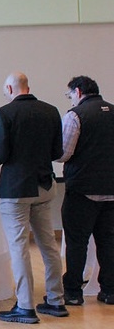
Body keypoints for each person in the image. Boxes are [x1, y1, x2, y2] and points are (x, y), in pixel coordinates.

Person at [0, 72, 67, 324]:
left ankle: (25, 306)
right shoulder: (51, 111)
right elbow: (57, 152)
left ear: (10, 88)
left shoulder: (4, 113)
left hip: (16, 190)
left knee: (19, 247)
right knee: (48, 245)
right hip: (44, 185)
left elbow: (1, 154)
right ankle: (56, 300)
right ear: (28, 87)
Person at [57, 75, 114, 306]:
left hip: (82, 189)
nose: (70, 99)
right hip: (111, 190)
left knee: (77, 241)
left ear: (78, 92)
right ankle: (109, 290)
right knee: (109, 241)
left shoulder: (75, 116)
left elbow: (64, 153)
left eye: (70, 95)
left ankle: (72, 292)